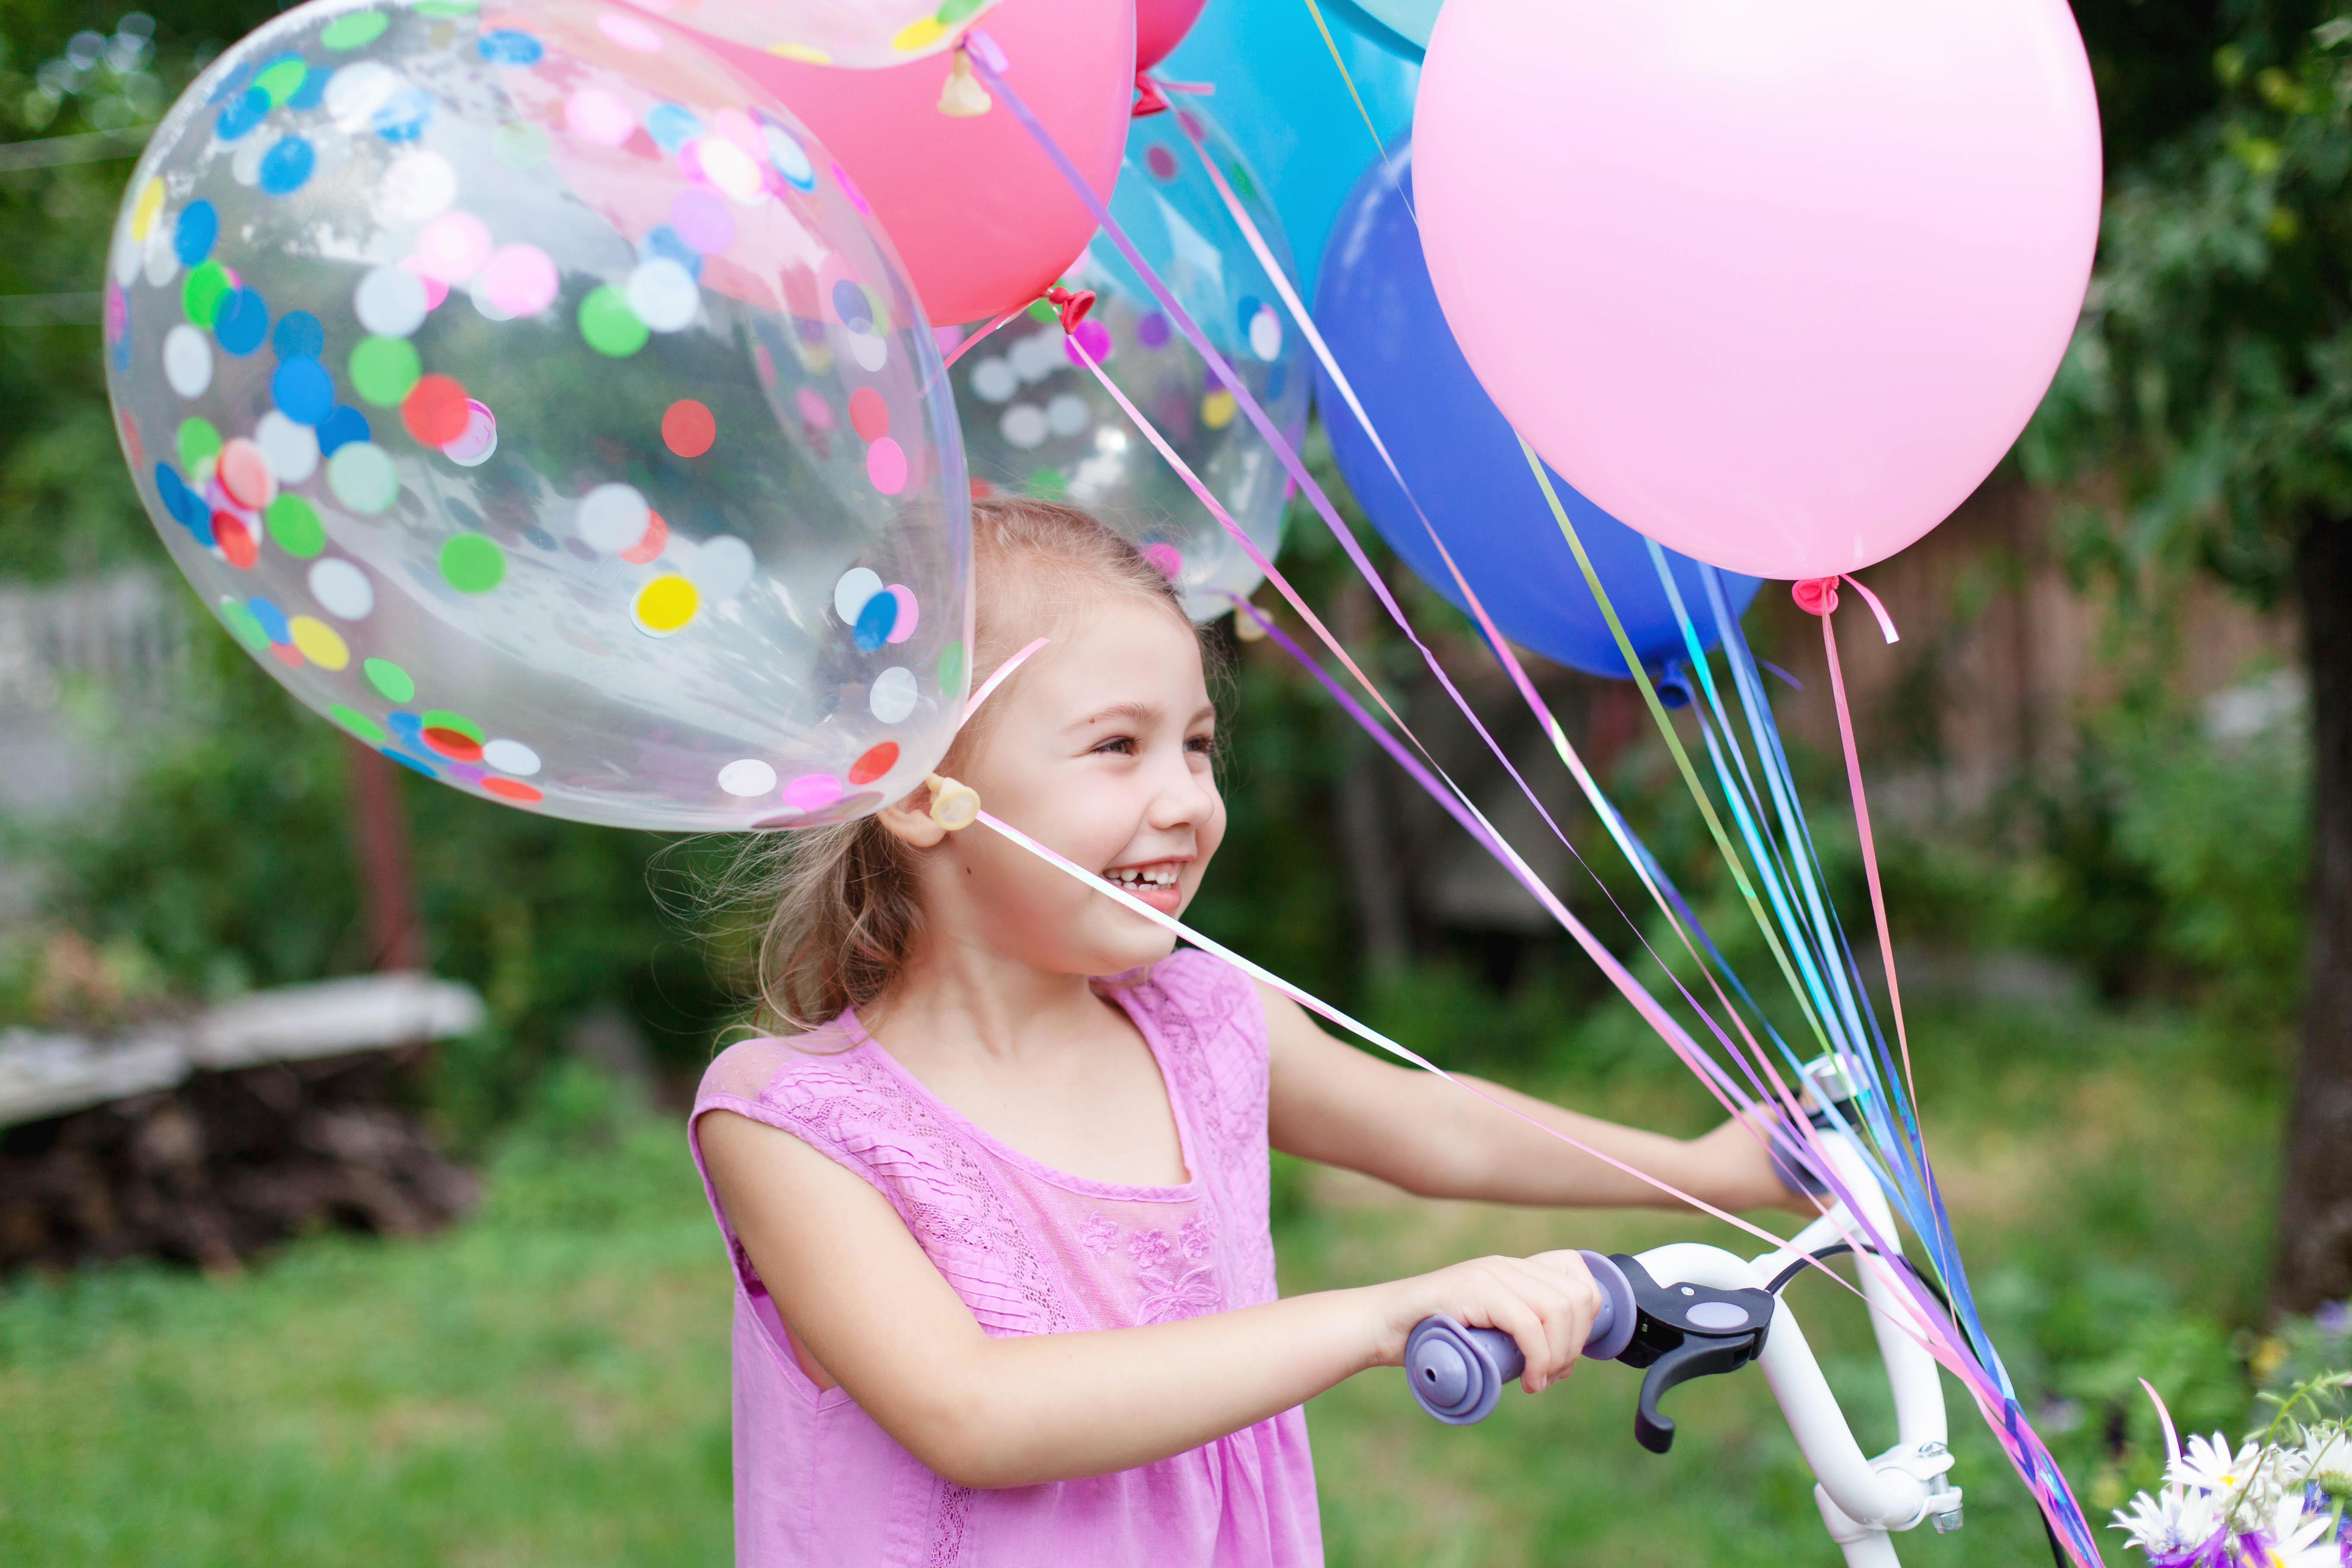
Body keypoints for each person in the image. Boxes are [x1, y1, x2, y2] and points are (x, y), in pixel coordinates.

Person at [692, 496, 1806, 1567]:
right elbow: (973, 1412)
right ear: (915, 790)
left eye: (1196, 744)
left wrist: (1713, 1170)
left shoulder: (1204, 1026)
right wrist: (1377, 1318)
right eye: (1118, 747)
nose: (1187, 799)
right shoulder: (795, 1122)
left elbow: (1439, 1128)